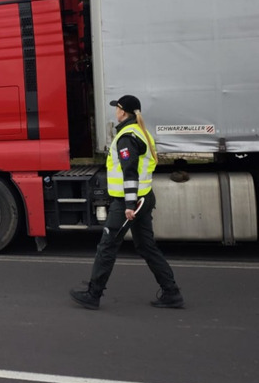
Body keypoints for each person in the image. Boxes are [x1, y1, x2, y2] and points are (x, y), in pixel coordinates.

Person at [69, 94, 185, 309]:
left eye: (117, 108)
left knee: (107, 245)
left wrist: (129, 205)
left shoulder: (127, 136)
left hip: (128, 201)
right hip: (144, 197)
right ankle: (171, 292)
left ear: (123, 112)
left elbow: (129, 172)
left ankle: (93, 294)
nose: (116, 111)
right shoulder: (140, 131)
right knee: (146, 246)